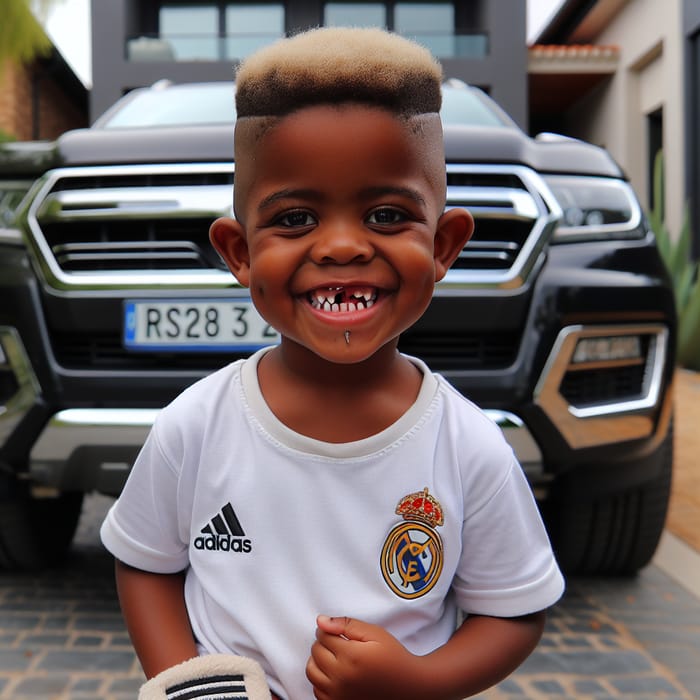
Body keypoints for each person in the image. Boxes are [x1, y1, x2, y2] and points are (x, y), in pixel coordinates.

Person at [100, 26, 565, 700]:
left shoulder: (466, 446)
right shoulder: (196, 425)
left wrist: (419, 681)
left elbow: (514, 609)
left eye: (384, 214)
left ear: (445, 244)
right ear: (239, 252)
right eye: (294, 219)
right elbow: (145, 565)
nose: (342, 246)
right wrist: (189, 686)